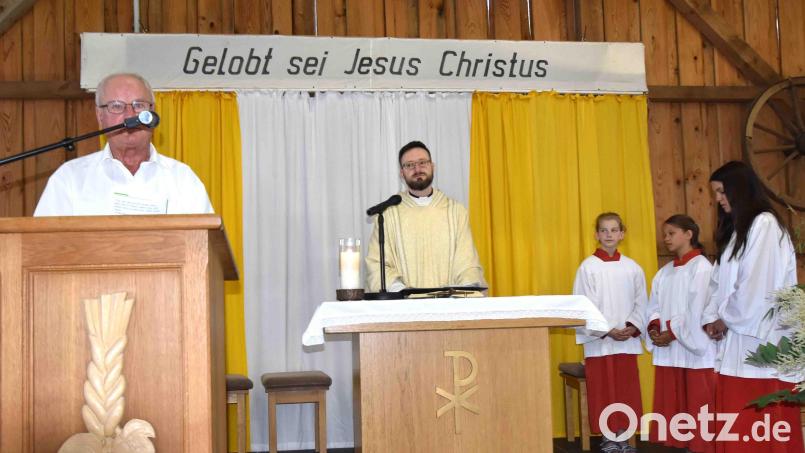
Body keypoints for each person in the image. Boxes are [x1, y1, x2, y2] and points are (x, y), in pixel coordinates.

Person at [702, 161, 803, 453]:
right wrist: (711, 318)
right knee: (738, 423)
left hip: (760, 342)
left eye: (721, 192)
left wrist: (725, 318)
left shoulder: (765, 225)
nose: (719, 200)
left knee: (757, 425)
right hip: (736, 341)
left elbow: (757, 286)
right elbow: (717, 283)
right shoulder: (736, 233)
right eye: (715, 194)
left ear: (739, 189)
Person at [34, 73, 213, 216]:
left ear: (152, 113)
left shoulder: (183, 180)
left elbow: (205, 250)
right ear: (100, 116)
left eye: (139, 105)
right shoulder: (70, 180)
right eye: (117, 106)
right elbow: (41, 249)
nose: (130, 116)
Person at [365, 140, 484, 292]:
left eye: (422, 162)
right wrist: (401, 291)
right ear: (402, 173)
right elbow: (377, 264)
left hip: (448, 307)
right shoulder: (388, 215)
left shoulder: (455, 212)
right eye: (409, 165)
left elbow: (467, 264)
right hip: (405, 308)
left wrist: (463, 290)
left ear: (432, 166)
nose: (417, 169)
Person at [573, 212, 646, 453]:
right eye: (604, 230)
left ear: (622, 234)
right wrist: (606, 331)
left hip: (625, 340)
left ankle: (623, 437)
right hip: (601, 342)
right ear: (596, 234)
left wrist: (633, 326)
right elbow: (583, 305)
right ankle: (607, 437)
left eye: (614, 230)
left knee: (625, 388)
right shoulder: (588, 267)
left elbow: (641, 302)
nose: (609, 235)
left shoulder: (632, 268)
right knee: (603, 389)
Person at [646, 214, 716, 453]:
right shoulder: (664, 272)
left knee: (699, 402)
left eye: (671, 233)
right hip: (670, 346)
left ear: (689, 234)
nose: (666, 238)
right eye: (664, 234)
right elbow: (653, 305)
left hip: (693, 348)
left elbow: (698, 310)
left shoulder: (702, 268)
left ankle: (702, 445)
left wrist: (672, 333)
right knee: (676, 402)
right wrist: (655, 329)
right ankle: (683, 444)